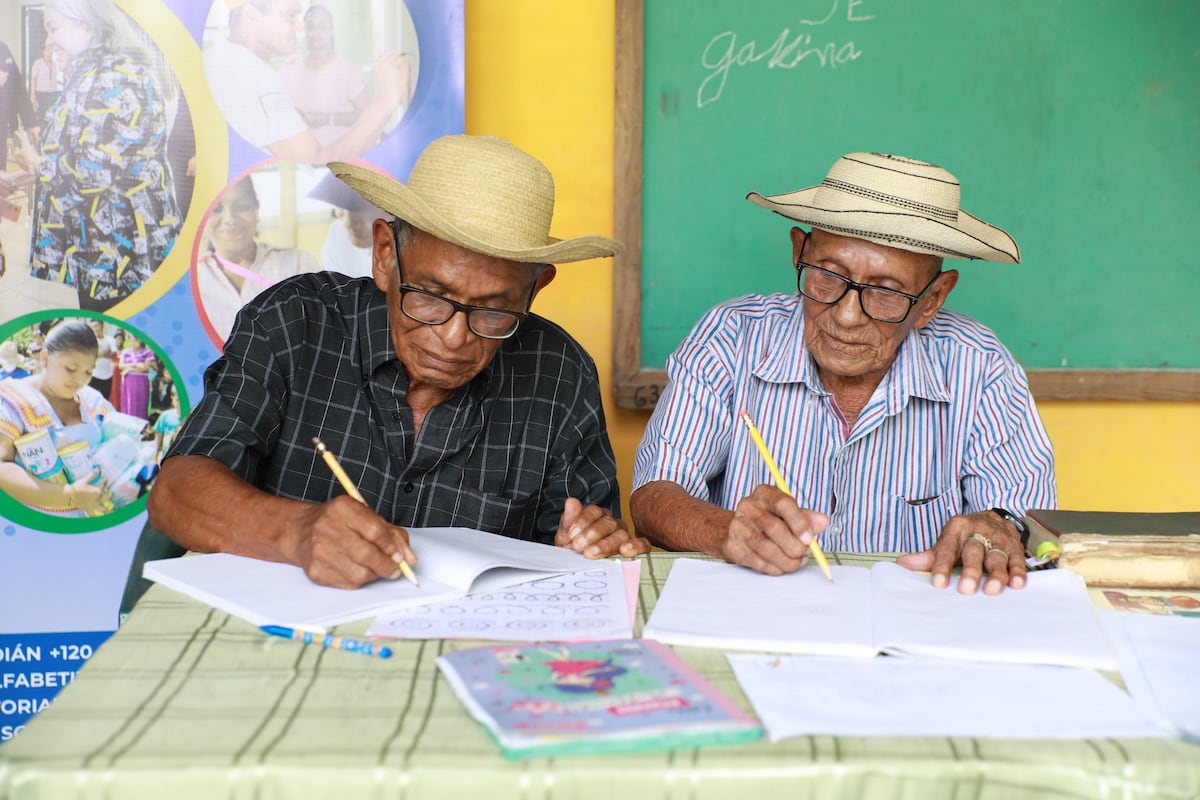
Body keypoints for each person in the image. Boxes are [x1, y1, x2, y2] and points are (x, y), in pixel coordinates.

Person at [146, 134, 649, 590]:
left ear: (535, 290)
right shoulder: (294, 324)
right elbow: (177, 491)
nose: (453, 338)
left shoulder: (559, 374)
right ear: (385, 255)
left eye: (495, 310)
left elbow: (586, 554)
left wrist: (586, 545)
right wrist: (297, 532)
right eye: (430, 295)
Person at [630, 152, 1056, 596]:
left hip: (912, 632)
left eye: (887, 293)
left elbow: (1030, 526)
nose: (848, 316)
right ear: (800, 252)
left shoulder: (981, 366)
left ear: (933, 299)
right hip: (758, 618)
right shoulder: (732, 338)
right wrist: (729, 532)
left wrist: (998, 527)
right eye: (828, 277)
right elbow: (652, 497)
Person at [21, 0, 183, 311]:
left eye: (54, 28)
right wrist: (35, 170)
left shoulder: (115, 77)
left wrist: (36, 163)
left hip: (122, 257)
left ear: (87, 24)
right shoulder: (93, 73)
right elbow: (82, 152)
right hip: (104, 251)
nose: (49, 40)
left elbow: (91, 175)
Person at [203, 0, 409, 165]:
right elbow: (316, 162)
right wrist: (386, 101)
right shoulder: (262, 74)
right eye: (290, 16)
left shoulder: (218, 58)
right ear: (251, 15)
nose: (300, 29)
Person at [0, 319, 112, 516]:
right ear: (45, 358)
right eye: (70, 368)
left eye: (88, 371)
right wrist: (70, 495)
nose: (80, 379)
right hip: (40, 525)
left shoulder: (92, 399)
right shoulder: (14, 399)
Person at [195, 175, 322, 342]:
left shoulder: (299, 264)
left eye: (241, 206)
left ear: (257, 209)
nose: (229, 219)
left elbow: (323, 333)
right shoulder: (192, 281)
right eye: (217, 209)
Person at [280, 5, 380, 149]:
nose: (315, 33)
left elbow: (367, 114)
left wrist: (329, 119)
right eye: (310, 26)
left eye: (322, 27)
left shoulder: (348, 70)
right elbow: (277, 108)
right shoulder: (290, 66)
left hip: (335, 155)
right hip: (296, 154)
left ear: (332, 31)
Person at [309, 168, 385, 278]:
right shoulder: (337, 235)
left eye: (358, 208)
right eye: (341, 207)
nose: (348, 223)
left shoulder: (408, 239)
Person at [117, 334, 153, 419]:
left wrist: (129, 369)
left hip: (141, 380)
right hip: (128, 380)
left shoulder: (147, 352)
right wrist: (135, 364)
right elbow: (121, 365)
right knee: (128, 403)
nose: (133, 343)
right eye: (131, 341)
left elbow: (145, 367)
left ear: (140, 341)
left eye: (135, 341)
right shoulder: (125, 352)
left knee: (141, 403)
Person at [29, 46, 62, 118]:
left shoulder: (54, 64)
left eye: (51, 50)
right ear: (43, 52)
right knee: (41, 114)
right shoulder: (37, 63)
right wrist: (32, 95)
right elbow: (33, 79)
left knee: (52, 115)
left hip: (53, 93)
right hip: (41, 93)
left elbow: (54, 78)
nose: (50, 52)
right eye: (48, 50)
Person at [87, 319, 117, 397]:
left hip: (107, 376)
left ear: (102, 326)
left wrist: (100, 355)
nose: (95, 329)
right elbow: (90, 355)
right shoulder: (90, 341)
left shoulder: (110, 339)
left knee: (105, 400)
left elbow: (114, 354)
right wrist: (106, 352)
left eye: (97, 326)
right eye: (92, 327)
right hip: (93, 375)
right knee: (91, 399)